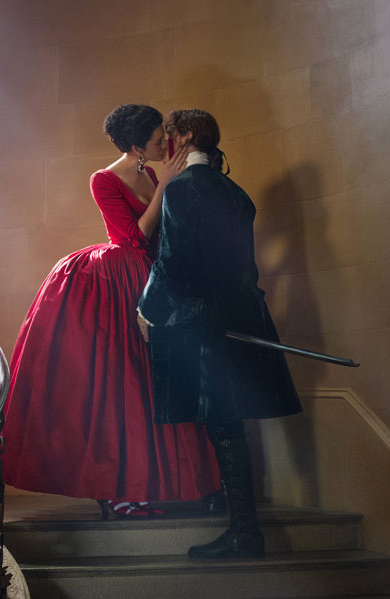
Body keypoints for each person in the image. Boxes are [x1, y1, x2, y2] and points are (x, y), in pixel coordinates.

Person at [1, 104, 220, 517]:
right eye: (158, 140)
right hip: (118, 281)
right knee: (123, 386)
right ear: (138, 145)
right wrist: (163, 189)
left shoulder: (152, 172)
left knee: (156, 383)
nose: (164, 145)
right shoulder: (103, 180)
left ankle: (159, 484)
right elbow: (133, 239)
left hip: (151, 277)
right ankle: (119, 490)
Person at [137, 109, 302, 556]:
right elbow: (245, 268)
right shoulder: (236, 193)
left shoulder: (183, 189)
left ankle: (245, 534)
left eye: (172, 136)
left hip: (202, 326)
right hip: (238, 319)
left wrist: (146, 310)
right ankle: (243, 530)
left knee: (224, 426)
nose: (168, 145)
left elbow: (172, 259)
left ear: (187, 136)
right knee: (227, 423)